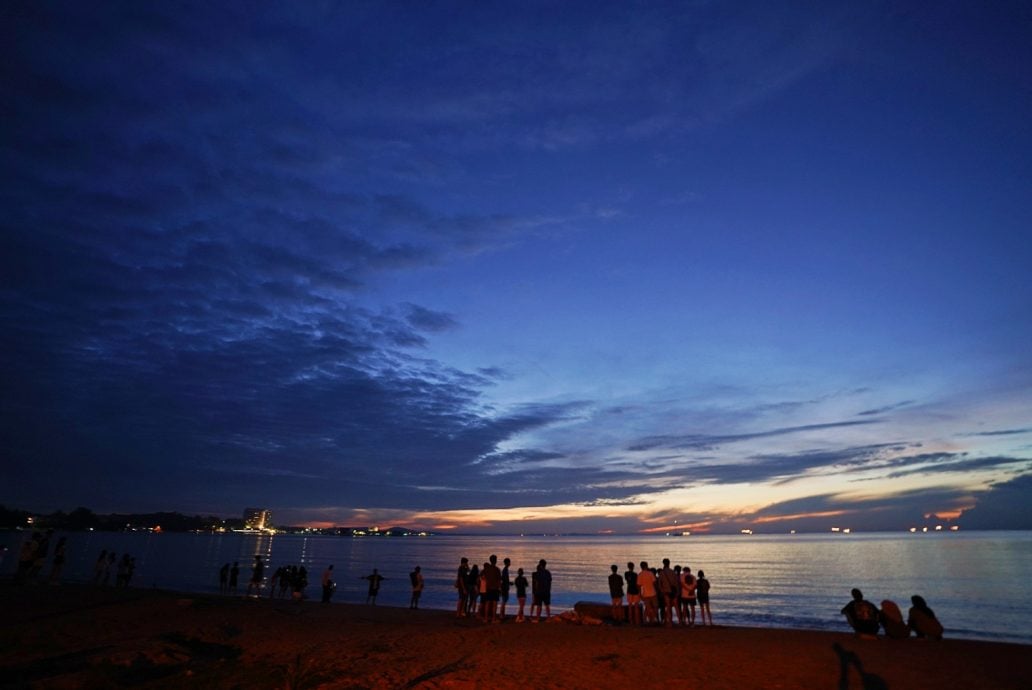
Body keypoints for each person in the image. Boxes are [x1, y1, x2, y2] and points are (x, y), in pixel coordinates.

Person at [658, 558, 681, 626]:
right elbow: (677, 583)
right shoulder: (672, 572)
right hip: (673, 591)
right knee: (676, 607)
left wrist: (662, 591)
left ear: (663, 563)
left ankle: (670, 622)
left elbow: (660, 584)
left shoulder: (662, 573)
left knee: (668, 607)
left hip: (666, 591)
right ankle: (680, 621)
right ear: (669, 563)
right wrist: (678, 592)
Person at [482, 555, 502, 622]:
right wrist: (500, 589)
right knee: (494, 604)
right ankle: (493, 618)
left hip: (488, 588)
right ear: (495, 561)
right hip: (495, 588)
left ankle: (486, 618)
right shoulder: (497, 569)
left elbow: (482, 576)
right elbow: (499, 580)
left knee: (487, 603)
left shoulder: (486, 569)